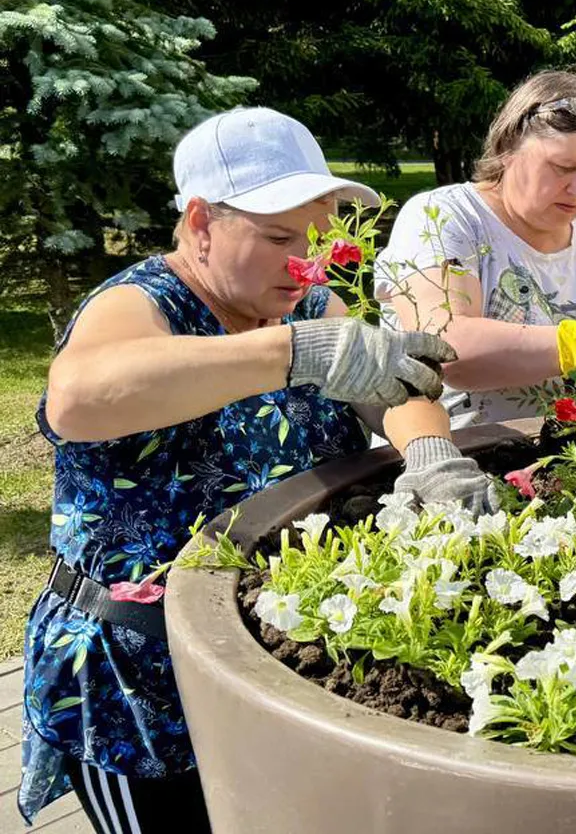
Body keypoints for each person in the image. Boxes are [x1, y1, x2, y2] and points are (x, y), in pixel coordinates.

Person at [16, 107, 486, 831]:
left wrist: (432, 457)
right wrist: (295, 352)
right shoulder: (142, 303)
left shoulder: (307, 302)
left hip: (278, 660)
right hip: (142, 691)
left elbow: (396, 389)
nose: (309, 264)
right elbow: (78, 398)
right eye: (278, 238)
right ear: (200, 221)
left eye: (319, 239)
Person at [375, 66, 576, 429]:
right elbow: (445, 350)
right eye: (563, 167)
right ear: (508, 149)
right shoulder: (444, 217)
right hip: (453, 464)